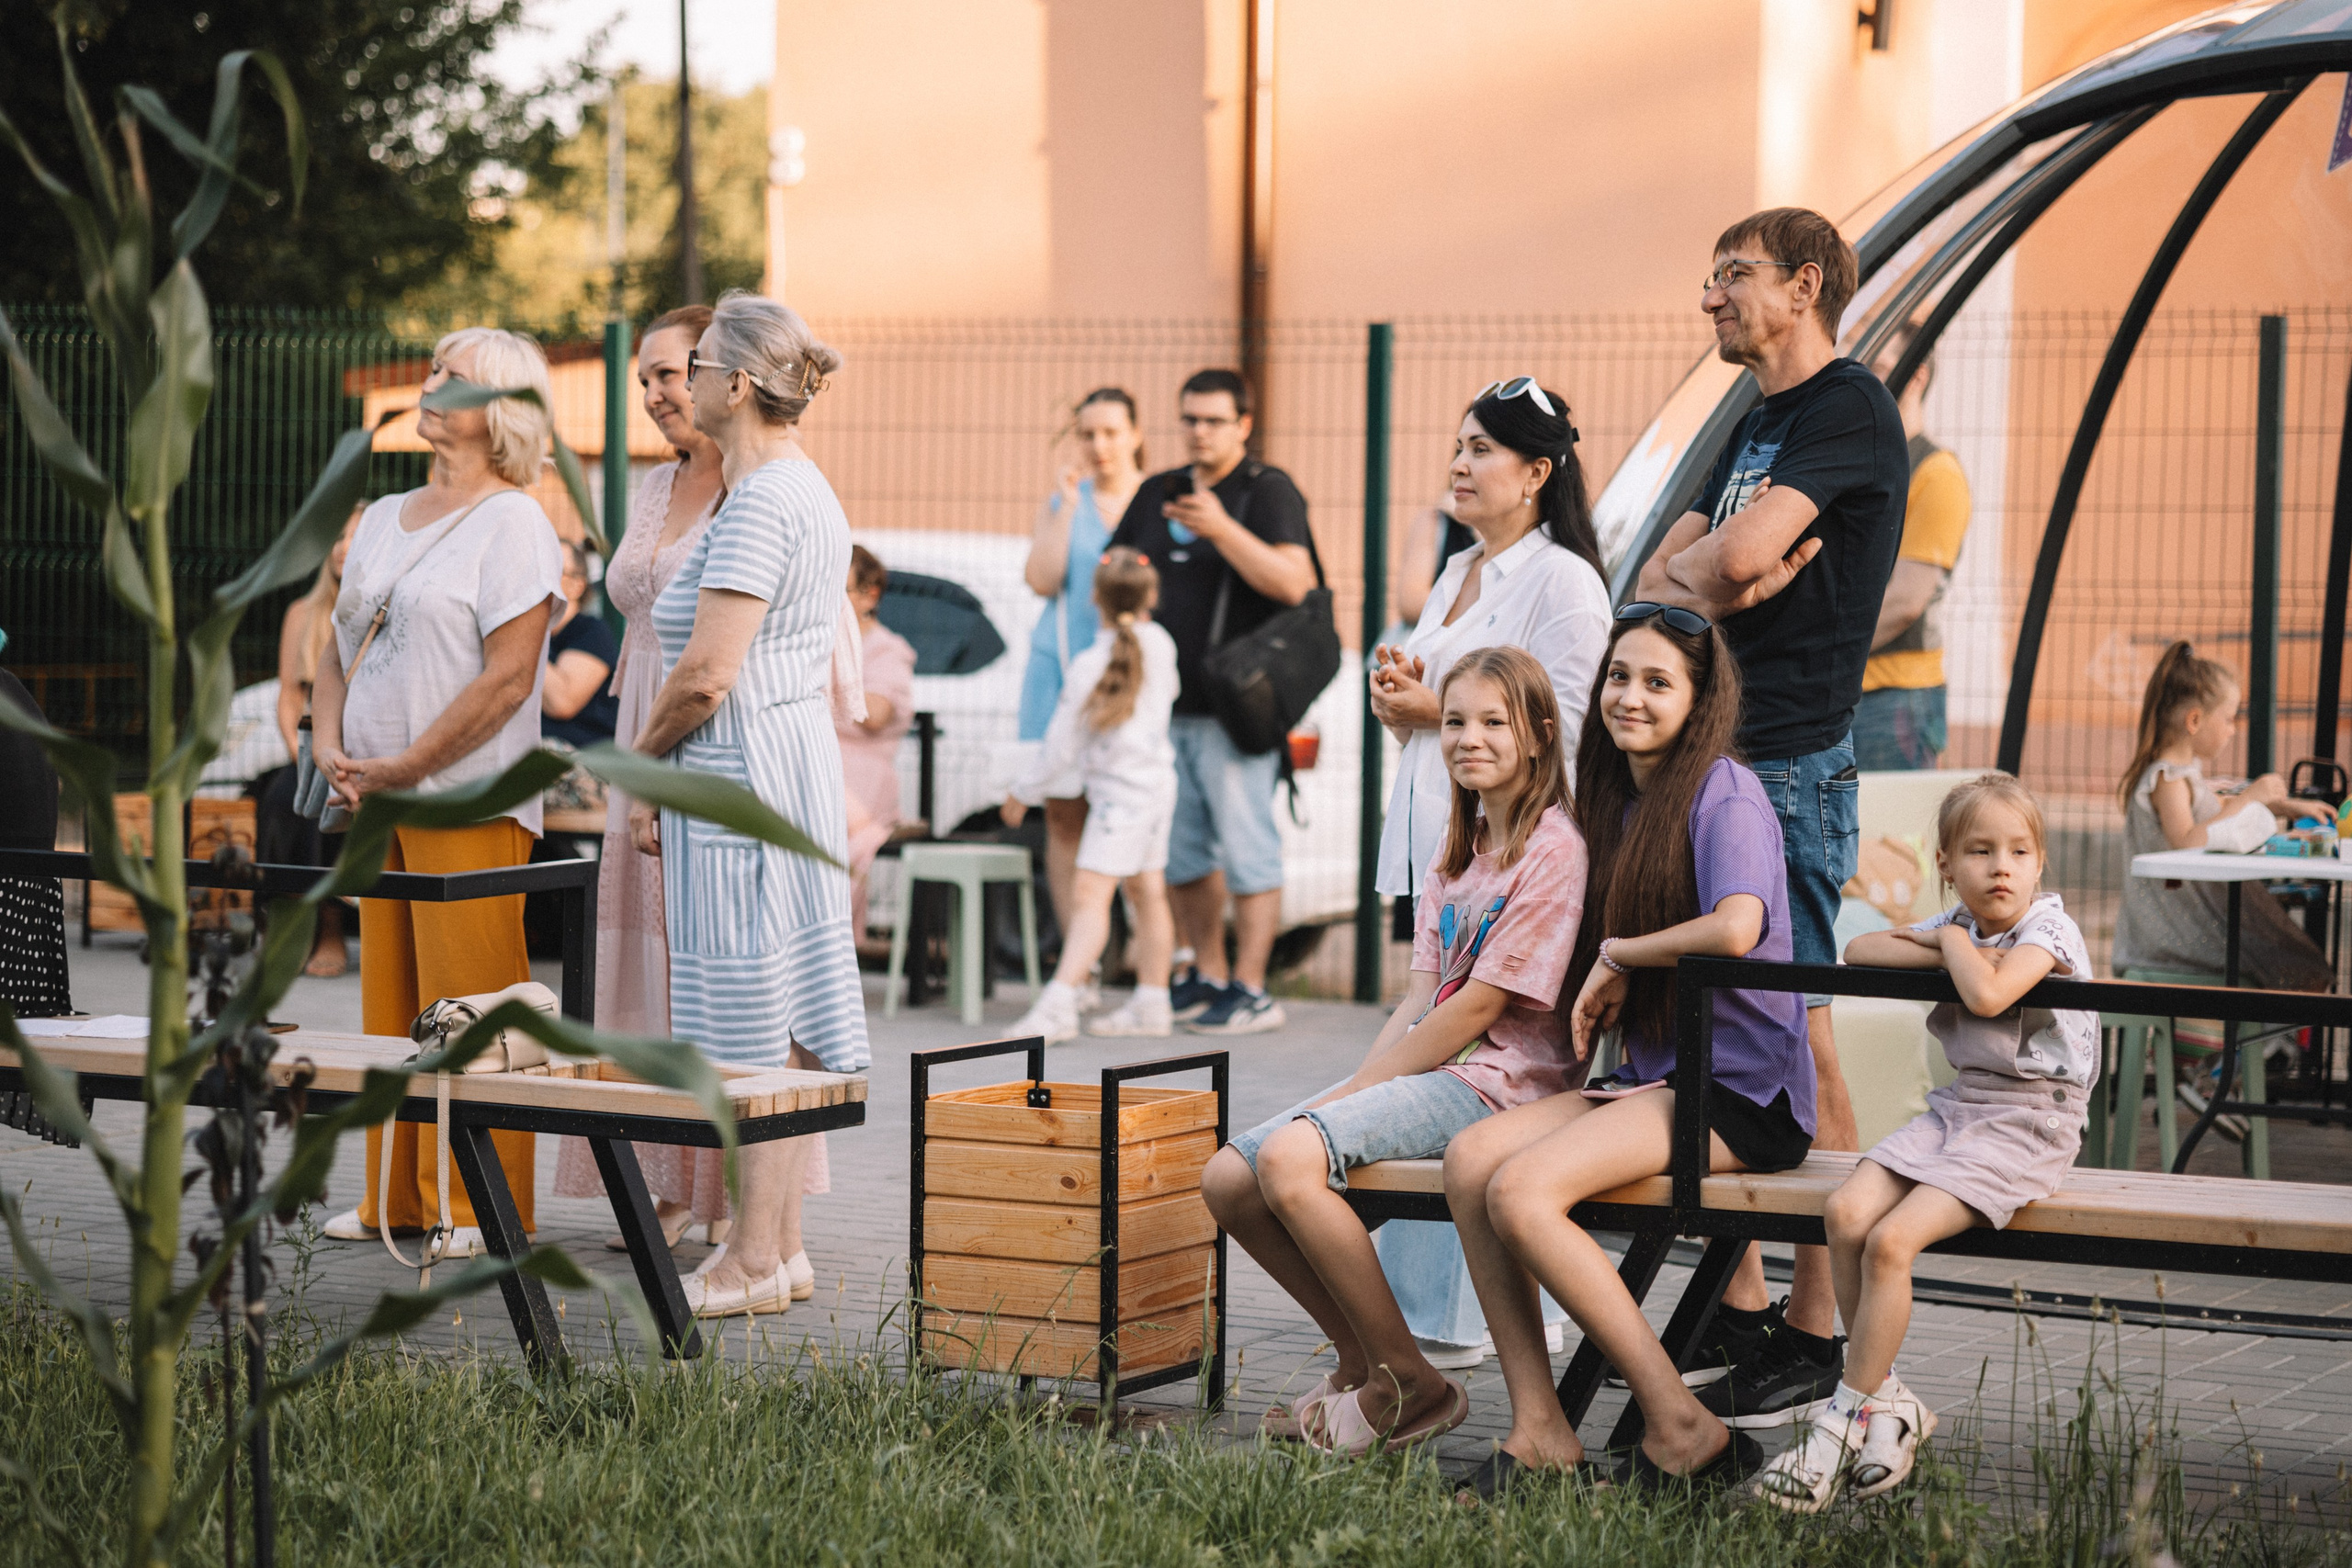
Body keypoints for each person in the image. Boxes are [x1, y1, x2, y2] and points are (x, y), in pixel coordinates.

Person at [1632, 207, 1906, 1416]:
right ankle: (1739, 1305)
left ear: (1805, 286)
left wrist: (1724, 571)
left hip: (1789, 763)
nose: (1711, 297)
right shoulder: (1754, 419)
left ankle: (1818, 1321)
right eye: (1710, 275)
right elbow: (1665, 573)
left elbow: (1727, 573)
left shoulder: (1844, 409)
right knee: (1702, 1018)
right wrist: (1721, 568)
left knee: (1797, 1029)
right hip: (1713, 762)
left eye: (1733, 275)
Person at [1443, 607, 1815, 1498]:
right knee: (1468, 1163)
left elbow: (1736, 927)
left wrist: (1621, 955)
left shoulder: (1724, 789)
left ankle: (1683, 1428)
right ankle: (1542, 1432)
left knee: (1523, 1191)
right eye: (1619, 677)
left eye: (1657, 682)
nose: (1630, 697)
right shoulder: (1614, 801)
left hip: (1739, 1090)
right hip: (1653, 1077)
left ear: (1698, 698)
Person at [1204, 647, 1584, 1456]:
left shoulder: (1556, 848)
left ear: (1541, 734)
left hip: (1502, 1085)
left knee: (1288, 1162)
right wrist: (1355, 1085)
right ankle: (1363, 1366)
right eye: (1454, 721)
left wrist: (1356, 1094)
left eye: (1492, 721)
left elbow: (1481, 1005)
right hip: (1434, 1068)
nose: (1468, 738)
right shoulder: (1459, 845)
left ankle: (1411, 1382)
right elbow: (1421, 995)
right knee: (1229, 1178)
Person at [551, 303, 821, 1253]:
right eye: (650, 379)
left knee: (722, 979)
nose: (661, 392)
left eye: (676, 371)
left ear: (727, 376)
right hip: (647, 720)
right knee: (646, 972)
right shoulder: (654, 487)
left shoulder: (758, 491)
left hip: (697, 739)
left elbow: (745, 654)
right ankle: (666, 1178)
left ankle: (749, 1216)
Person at [629, 290, 870, 1317]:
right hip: (787, 770)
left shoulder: (763, 499)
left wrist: (635, 770)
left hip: (738, 781)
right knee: (780, 1026)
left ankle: (753, 1258)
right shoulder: (797, 490)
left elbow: (703, 675)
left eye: (699, 370)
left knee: (747, 1033)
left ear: (734, 383)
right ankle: (779, 1250)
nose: (686, 387)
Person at [1764, 775, 2098, 1509]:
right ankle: (1890, 1403)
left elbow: (1987, 995)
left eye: (2018, 850)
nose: (2000, 867)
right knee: (1847, 1212)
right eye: (1980, 851)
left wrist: (1945, 938)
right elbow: (1860, 945)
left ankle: (1840, 1423)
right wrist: (1950, 934)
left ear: (2040, 864)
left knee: (1889, 1244)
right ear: (1947, 862)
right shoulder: (1966, 924)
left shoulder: (2047, 930)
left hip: (2029, 1121)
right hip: (1962, 1109)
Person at [1366, 378, 1609, 1371]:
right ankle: (1425, 1301)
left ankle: (1478, 1312)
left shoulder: (1564, 583)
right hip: (1444, 842)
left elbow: (1574, 719)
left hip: (1514, 860)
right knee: (1426, 1038)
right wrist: (1405, 698)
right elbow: (1458, 698)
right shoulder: (1461, 565)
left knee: (1471, 1060)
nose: (1459, 466)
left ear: (1537, 474)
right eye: (1456, 445)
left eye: (1482, 451)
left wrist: (1437, 716)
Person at [311, 326, 564, 1253]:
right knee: (391, 1011)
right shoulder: (381, 516)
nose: (428, 386)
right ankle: (396, 1199)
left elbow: (509, 679)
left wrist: (411, 766)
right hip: (374, 796)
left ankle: (484, 1207)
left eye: (450, 377)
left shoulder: (516, 523)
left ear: (497, 409)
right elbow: (341, 645)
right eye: (431, 369)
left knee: (472, 1010)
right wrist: (333, 746)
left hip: (467, 798)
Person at [1108, 369, 1316, 1037]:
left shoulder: (1267, 492)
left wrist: (1221, 529)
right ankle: (1210, 975)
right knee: (1185, 853)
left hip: (1238, 710)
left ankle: (1254, 988)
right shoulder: (1156, 491)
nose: (1199, 432)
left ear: (1243, 425)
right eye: (1190, 419)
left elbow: (1294, 583)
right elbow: (1121, 571)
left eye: (1214, 420)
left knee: (1248, 844)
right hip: (1166, 707)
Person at [1002, 548, 1181, 1041]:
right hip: (1157, 788)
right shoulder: (1161, 644)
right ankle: (1152, 1003)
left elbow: (1062, 742)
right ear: (1152, 596)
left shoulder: (1090, 662)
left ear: (1093, 597)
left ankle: (1058, 1003)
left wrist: (1024, 790)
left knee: (1089, 897)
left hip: (1120, 798)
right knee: (1147, 891)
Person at [2111, 640, 2328, 990]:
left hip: (2186, 928)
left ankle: (2270, 1044)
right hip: (2170, 940)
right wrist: (2250, 798)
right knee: (2284, 958)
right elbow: (2185, 842)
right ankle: (2269, 1045)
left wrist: (2284, 806)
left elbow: (2219, 807)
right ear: (2195, 720)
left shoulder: (2185, 774)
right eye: (2228, 719)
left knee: (2290, 954)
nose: (2232, 729)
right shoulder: (2167, 778)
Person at [1020, 388, 1147, 943]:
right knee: (1064, 817)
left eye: (1111, 432)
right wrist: (1066, 507)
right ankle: (1080, 964)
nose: (1099, 445)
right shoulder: (1066, 501)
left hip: (1129, 679)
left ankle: (1150, 963)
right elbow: (1042, 581)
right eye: (1088, 434)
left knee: (1132, 816)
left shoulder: (1157, 500)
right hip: (1059, 672)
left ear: (1135, 436)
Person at [1854, 324, 1973, 771]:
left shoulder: (1936, 473)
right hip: (1852, 695)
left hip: (1896, 702)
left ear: (1917, 375)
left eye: (1877, 369)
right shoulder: (1862, 467)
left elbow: (1905, 600)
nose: (1863, 383)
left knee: (1894, 841)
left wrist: (1820, 656)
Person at [259, 505, 359, 976]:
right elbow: (287, 693)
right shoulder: (302, 614)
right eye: (338, 537)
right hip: (306, 747)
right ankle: (290, 926)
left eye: (356, 538)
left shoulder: (380, 613)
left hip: (360, 747)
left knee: (331, 801)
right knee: (284, 799)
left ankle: (332, 929)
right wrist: (296, 753)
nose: (343, 547)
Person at [842, 544, 916, 941]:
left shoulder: (888, 650)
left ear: (870, 595)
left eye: (842, 588)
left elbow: (875, 715)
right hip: (819, 767)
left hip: (861, 781)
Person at [542, 539, 620, 748]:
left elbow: (561, 703)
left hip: (582, 758)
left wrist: (521, 638)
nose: (538, 577)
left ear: (578, 585)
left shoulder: (592, 631)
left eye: (552, 570)